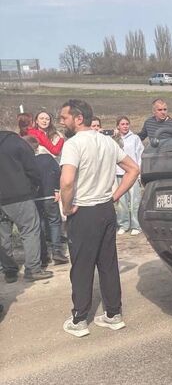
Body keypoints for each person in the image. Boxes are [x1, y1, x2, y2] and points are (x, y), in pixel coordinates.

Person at [58, 98, 139, 337]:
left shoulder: (73, 144)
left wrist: (66, 205)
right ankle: (114, 314)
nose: (62, 122)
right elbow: (133, 169)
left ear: (78, 118)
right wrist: (114, 196)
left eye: (64, 117)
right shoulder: (107, 141)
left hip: (83, 211)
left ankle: (80, 318)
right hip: (105, 210)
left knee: (82, 266)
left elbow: (67, 180)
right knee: (108, 263)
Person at [0, 129, 53, 282]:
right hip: (19, 194)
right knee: (30, 230)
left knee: (3, 234)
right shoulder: (17, 143)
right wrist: (33, 186)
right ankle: (33, 269)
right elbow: (32, 169)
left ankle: (9, 270)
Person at [23, 135, 68, 265]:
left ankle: (43, 255)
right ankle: (57, 252)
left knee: (39, 225)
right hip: (49, 195)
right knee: (54, 222)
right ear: (37, 147)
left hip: (34, 197)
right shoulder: (47, 158)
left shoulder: (24, 162)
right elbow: (58, 172)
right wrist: (57, 189)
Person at [113, 116, 144, 236]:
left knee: (135, 200)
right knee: (122, 202)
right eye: (122, 124)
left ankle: (136, 225)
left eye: (127, 124)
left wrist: (139, 171)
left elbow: (140, 154)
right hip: (119, 173)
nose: (125, 126)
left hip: (132, 174)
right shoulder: (114, 139)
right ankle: (123, 224)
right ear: (118, 126)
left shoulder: (135, 138)